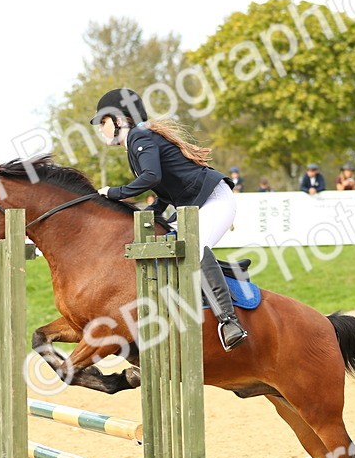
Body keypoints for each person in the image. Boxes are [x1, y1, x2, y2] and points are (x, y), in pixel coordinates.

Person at [91, 87, 247, 350]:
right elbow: (163, 189)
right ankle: (229, 274)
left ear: (119, 120)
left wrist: (113, 193)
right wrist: (150, 215)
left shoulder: (141, 137)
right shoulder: (137, 142)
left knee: (194, 248)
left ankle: (229, 321)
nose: (100, 129)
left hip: (214, 200)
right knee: (165, 242)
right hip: (193, 203)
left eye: (103, 122)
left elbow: (152, 178)